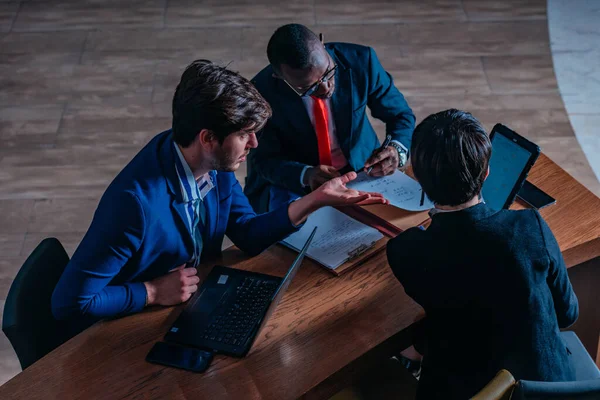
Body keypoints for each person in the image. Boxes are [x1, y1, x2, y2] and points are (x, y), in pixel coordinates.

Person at [51, 60, 387, 322]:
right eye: (245, 135)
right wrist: (151, 291)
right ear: (207, 138)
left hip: (194, 303)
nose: (254, 144)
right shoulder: (132, 206)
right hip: (130, 326)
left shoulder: (214, 165)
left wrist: (315, 199)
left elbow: (246, 233)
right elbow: (70, 302)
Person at [386, 109, 579, 399]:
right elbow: (567, 314)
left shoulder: (405, 251)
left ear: (419, 179)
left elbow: (460, 305)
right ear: (487, 172)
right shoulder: (529, 226)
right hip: (550, 391)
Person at [244, 23, 415, 213]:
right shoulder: (261, 92)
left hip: (363, 169)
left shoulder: (361, 61)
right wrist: (305, 174)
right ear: (280, 77)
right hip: (298, 182)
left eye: (328, 72)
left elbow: (400, 115)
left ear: (322, 43)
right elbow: (263, 159)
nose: (325, 88)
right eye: (309, 88)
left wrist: (396, 150)